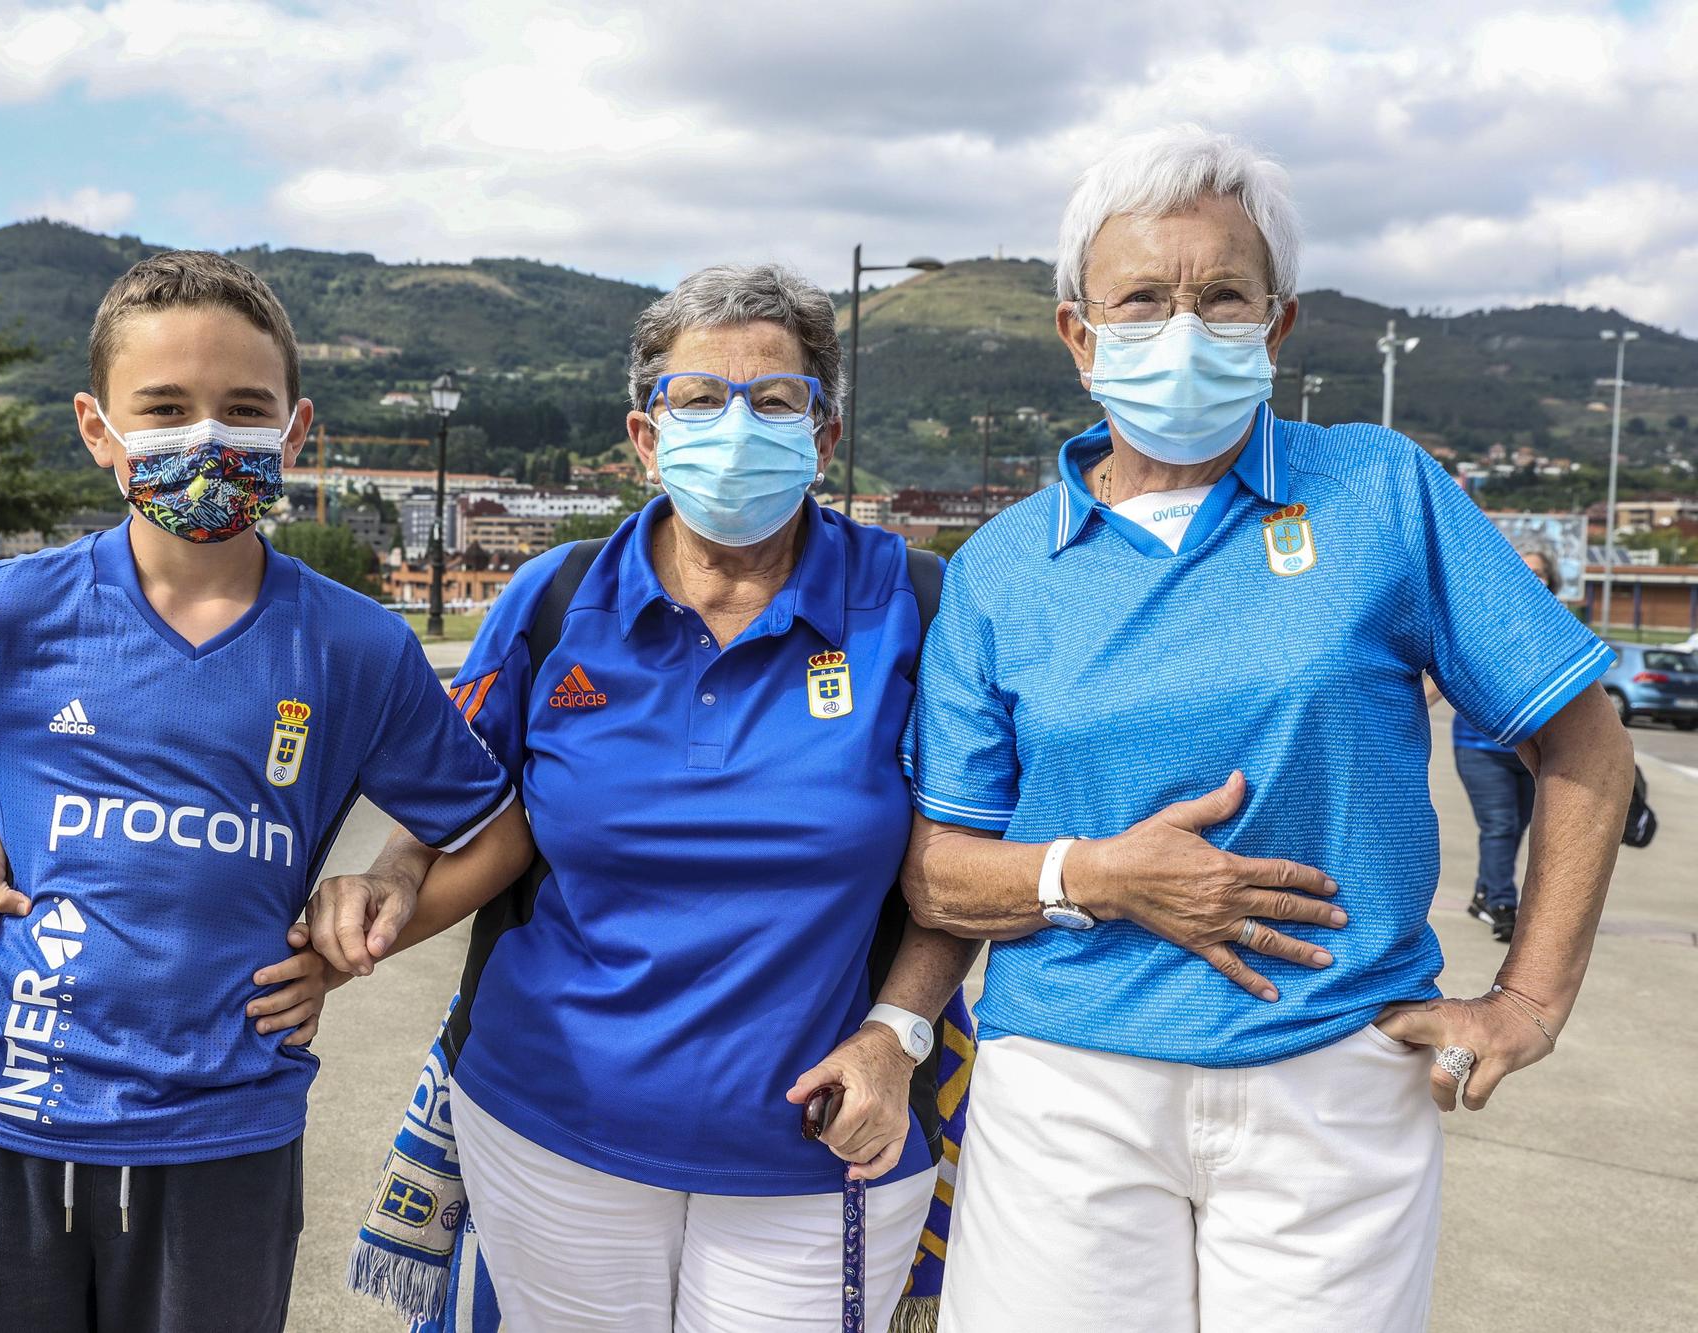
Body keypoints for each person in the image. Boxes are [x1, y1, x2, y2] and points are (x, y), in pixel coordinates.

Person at [307, 264, 1351, 1333]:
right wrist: (387, 874)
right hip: (550, 1122)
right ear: (642, 435)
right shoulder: (557, 598)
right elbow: (468, 802)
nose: (734, 426)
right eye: (697, 399)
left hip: (823, 1135)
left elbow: (963, 861)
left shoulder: (914, 604)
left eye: (773, 401)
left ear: (823, 434)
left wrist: (896, 1034)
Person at [901, 125, 1634, 1333]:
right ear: (1077, 337)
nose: (1179, 329)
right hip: (1067, 1091)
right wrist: (1100, 876)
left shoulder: (1378, 490)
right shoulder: (998, 572)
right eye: (1138, 300)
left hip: (1330, 1080)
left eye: (1219, 296)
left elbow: (1583, 744)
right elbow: (938, 873)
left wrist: (1529, 1000)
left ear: (1275, 325)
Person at [0, 250, 529, 1333]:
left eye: (242, 409)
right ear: (99, 429)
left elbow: (494, 835)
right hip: (7, 1117)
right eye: (166, 408)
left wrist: (356, 938)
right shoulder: (8, 613)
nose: (207, 438)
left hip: (224, 1131)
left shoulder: (354, 647)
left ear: (295, 430)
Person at [1446, 540, 1563, 943]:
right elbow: (1449, 672)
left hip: (1532, 751)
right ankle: (1502, 905)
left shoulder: (1559, 626)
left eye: (1539, 572)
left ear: (1551, 582)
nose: (1531, 577)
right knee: (1500, 824)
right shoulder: (1487, 621)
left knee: (1514, 829)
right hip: (1480, 748)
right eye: (1523, 569)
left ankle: (1483, 892)